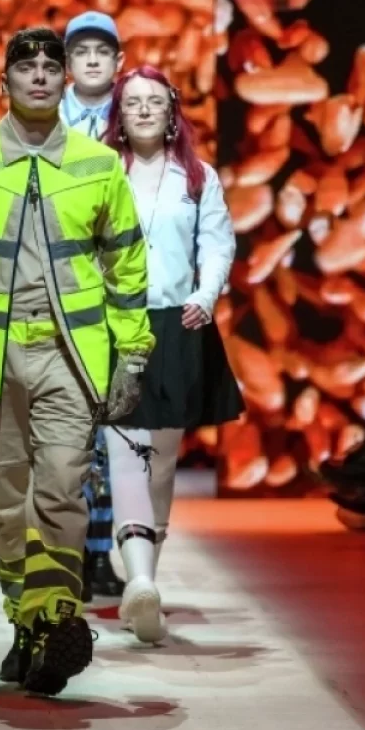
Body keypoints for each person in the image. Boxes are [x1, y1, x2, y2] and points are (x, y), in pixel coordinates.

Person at [0, 27, 153, 695]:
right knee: (6, 506)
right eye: (25, 66)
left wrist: (132, 352)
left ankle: (56, 616)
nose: (39, 75)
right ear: (4, 80)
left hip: (70, 354)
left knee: (62, 490)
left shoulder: (98, 164)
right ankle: (29, 625)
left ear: (66, 80)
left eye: (50, 66)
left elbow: (127, 263)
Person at [99, 66, 240, 643]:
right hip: (117, 325)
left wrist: (206, 295)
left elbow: (218, 242)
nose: (143, 110)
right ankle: (138, 580)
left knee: (161, 460)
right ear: (119, 114)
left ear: (172, 110)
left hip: (178, 324)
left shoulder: (199, 177)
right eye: (132, 101)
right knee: (126, 450)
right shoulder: (100, 172)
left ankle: (144, 581)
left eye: (154, 101)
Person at [60, 10, 129, 600]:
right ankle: (63, 552)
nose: (90, 60)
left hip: (116, 292)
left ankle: (100, 553)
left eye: (100, 51)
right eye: (79, 51)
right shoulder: (41, 119)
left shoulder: (136, 118)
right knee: (61, 430)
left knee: (111, 431)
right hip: (57, 289)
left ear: (117, 61)